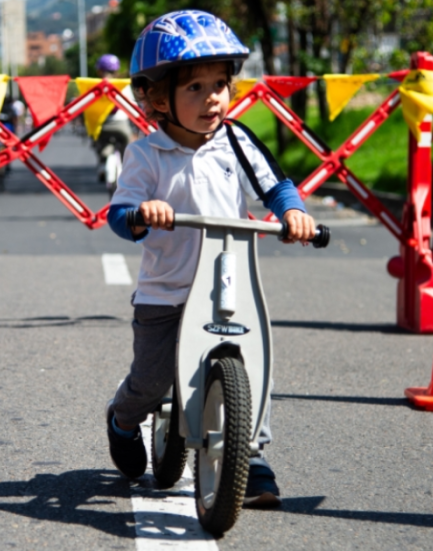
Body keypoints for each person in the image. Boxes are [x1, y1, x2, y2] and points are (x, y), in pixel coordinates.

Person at [103, 10, 318, 508]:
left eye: (220, 83)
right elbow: (118, 214)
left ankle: (252, 457)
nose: (213, 98)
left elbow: (275, 186)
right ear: (159, 99)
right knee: (151, 381)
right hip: (168, 292)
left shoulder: (236, 141)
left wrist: (293, 213)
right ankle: (123, 417)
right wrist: (142, 213)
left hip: (230, 286)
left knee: (250, 364)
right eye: (195, 88)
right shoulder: (147, 154)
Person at [93, 54, 135, 188]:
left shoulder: (95, 86)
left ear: (100, 71)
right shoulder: (123, 86)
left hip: (102, 127)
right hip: (121, 126)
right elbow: (133, 108)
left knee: (98, 142)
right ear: (116, 71)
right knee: (127, 148)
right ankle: (128, 173)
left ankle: (102, 162)